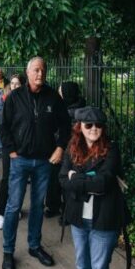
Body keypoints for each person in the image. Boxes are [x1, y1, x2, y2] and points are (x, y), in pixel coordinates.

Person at [0, 57, 71, 269]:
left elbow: (66, 126)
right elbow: (4, 126)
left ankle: (34, 246)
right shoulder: (15, 97)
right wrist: (11, 150)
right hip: (19, 160)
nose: (40, 73)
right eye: (36, 70)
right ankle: (8, 250)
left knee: (38, 206)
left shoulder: (53, 97)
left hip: (43, 162)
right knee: (13, 206)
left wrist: (59, 148)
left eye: (43, 70)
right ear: (28, 72)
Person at [60, 107, 126, 269]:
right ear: (80, 127)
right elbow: (62, 179)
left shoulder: (111, 149)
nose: (94, 129)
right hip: (79, 217)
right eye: (89, 125)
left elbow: (105, 182)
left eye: (98, 125)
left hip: (103, 218)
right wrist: (87, 180)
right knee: (82, 265)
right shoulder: (72, 148)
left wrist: (76, 178)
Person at [45, 81, 87, 218]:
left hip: (62, 150)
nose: (58, 93)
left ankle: (54, 207)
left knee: (56, 179)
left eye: (60, 91)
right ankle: (67, 210)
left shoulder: (65, 110)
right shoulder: (83, 107)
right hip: (78, 152)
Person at [0, 73, 24, 229]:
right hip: (9, 147)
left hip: (24, 147)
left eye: (17, 83)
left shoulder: (27, 102)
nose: (14, 86)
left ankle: (15, 208)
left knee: (19, 180)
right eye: (12, 83)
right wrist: (10, 148)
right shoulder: (4, 101)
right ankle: (0, 212)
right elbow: (2, 126)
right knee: (7, 179)